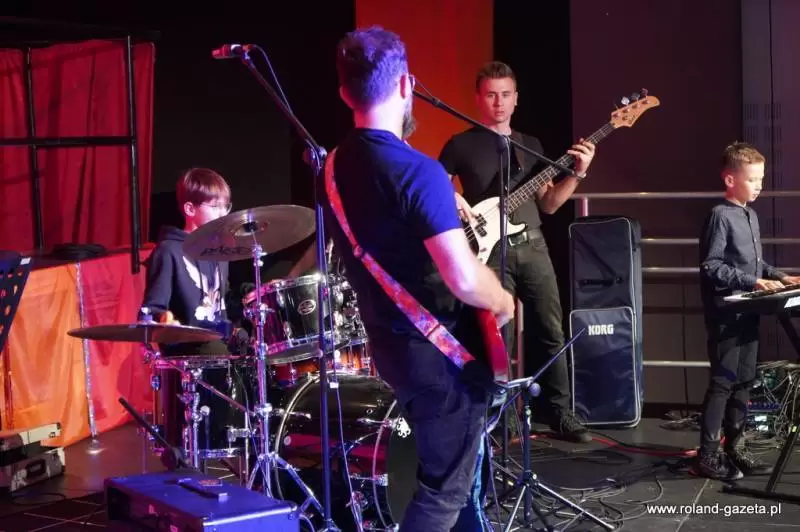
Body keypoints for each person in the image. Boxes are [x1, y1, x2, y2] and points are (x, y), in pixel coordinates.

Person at [325, 26, 515, 531]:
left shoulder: (332, 168)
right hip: (441, 357)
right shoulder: (418, 171)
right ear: (407, 84)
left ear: (344, 92)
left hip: (392, 349)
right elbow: (464, 279)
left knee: (457, 481)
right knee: (443, 493)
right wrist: (503, 298)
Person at [438, 61, 594, 443]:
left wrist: (578, 172)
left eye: (505, 94)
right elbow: (434, 188)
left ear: (516, 98)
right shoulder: (460, 144)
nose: (499, 102)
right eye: (491, 95)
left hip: (533, 244)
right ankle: (502, 416)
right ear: (478, 98)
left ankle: (560, 411)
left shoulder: (530, 145)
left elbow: (550, 204)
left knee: (551, 330)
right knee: (498, 337)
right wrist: (452, 198)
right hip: (490, 251)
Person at [694, 141, 800, 480]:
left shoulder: (750, 216)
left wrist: (779, 276)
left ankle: (735, 448)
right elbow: (712, 265)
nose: (759, 186)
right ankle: (708, 455)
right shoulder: (720, 216)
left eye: (761, 179)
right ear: (730, 180)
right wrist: (751, 281)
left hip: (748, 312)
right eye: (753, 179)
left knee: (744, 380)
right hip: (727, 314)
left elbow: (754, 263)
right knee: (723, 382)